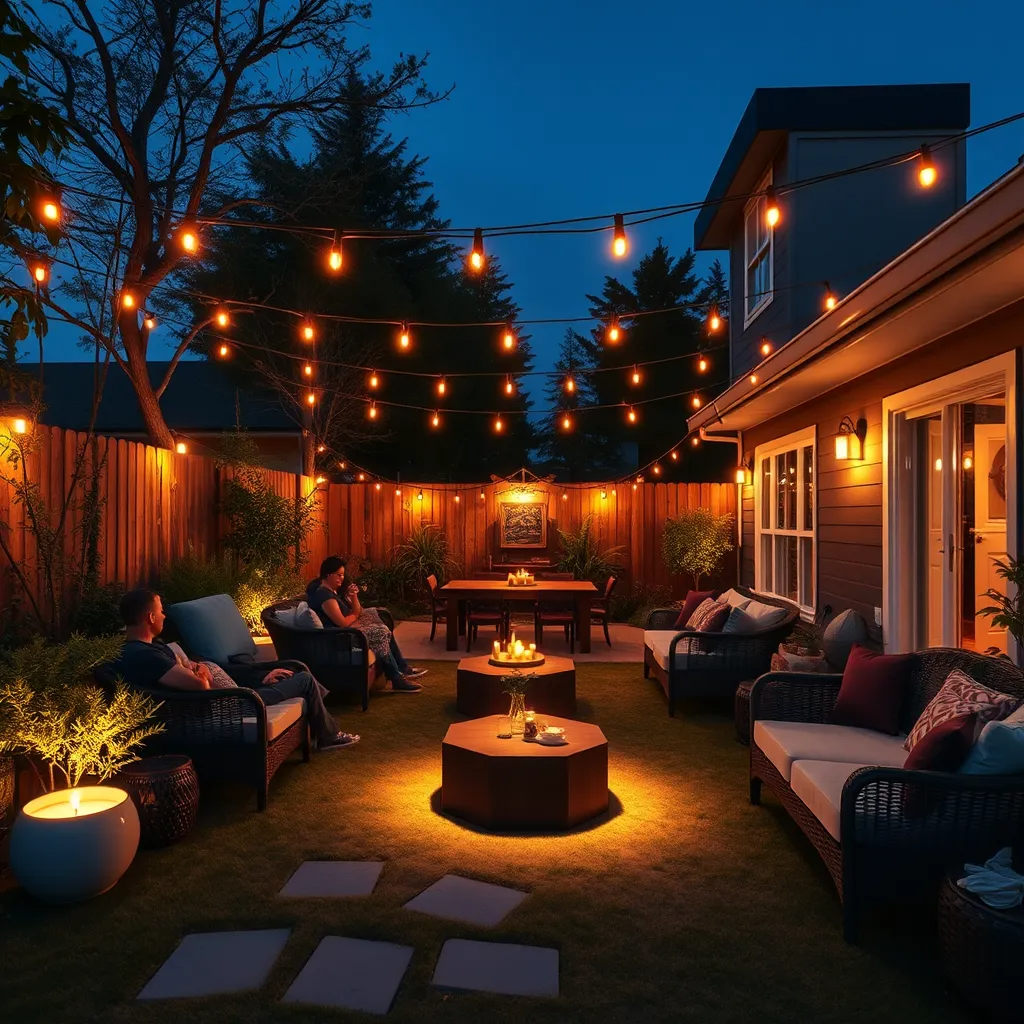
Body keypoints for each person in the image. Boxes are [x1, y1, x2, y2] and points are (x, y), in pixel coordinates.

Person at [113, 589, 360, 751]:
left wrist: (197, 668)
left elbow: (196, 670)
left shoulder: (148, 647)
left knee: (294, 673)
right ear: (150, 617)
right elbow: (200, 685)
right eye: (160, 611)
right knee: (303, 678)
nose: (164, 615)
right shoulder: (146, 656)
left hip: (232, 694)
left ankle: (323, 725)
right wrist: (200, 673)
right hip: (229, 704)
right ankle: (328, 735)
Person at [306, 555, 426, 693]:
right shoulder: (325, 596)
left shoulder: (333, 592)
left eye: (343, 575)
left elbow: (358, 610)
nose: (342, 578)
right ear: (328, 574)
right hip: (340, 638)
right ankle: (396, 677)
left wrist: (353, 596)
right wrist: (355, 615)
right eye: (339, 575)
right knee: (380, 632)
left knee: (382, 628)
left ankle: (401, 670)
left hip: (349, 631)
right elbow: (343, 623)